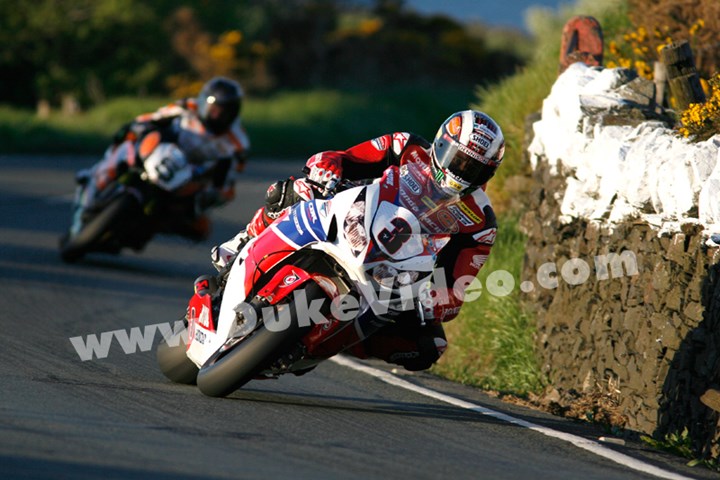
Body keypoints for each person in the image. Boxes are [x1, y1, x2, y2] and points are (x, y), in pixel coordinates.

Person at [211, 110, 503, 371]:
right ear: (441, 145)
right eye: (458, 160)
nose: (461, 173)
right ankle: (243, 240)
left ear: (488, 172)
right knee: (292, 190)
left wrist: (436, 301)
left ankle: (325, 344)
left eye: (473, 168)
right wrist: (328, 167)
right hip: (353, 217)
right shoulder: (405, 146)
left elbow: (458, 284)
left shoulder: (481, 221)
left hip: (397, 271)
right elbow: (346, 158)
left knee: (427, 346)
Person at [111, 76, 251, 240]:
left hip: (190, 174)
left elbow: (231, 177)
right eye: (213, 108)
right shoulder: (188, 105)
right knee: (124, 147)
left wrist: (216, 192)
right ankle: (100, 179)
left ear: (233, 113)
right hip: (161, 151)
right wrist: (136, 126)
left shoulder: (238, 141)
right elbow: (155, 118)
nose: (216, 115)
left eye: (223, 111)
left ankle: (149, 227)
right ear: (204, 101)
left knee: (201, 228)